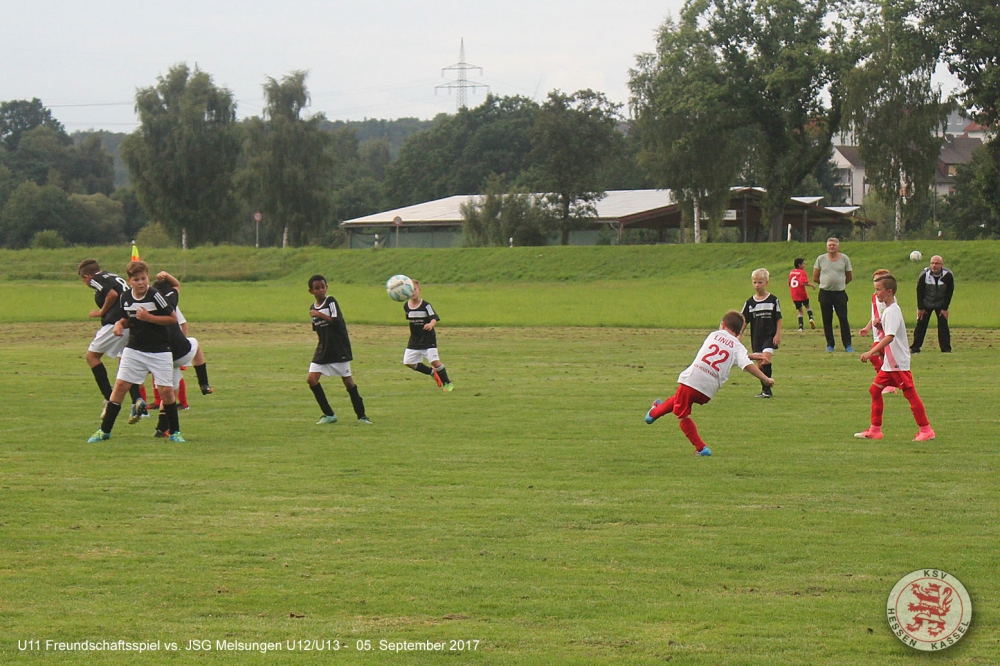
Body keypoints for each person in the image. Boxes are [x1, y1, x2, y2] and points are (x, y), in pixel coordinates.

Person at [644, 310, 775, 456]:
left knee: (682, 415)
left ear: (722, 324)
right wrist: (764, 377)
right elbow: (742, 362)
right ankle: (653, 413)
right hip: (707, 391)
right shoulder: (739, 348)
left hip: (692, 380)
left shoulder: (714, 335)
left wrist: (762, 374)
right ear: (739, 332)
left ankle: (701, 448)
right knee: (680, 400)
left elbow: (721, 351)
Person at [87, 260, 185, 443]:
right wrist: (119, 324)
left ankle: (175, 432)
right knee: (120, 387)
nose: (141, 282)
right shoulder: (125, 297)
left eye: (144, 278)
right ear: (129, 281)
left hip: (159, 350)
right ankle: (104, 431)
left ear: (148, 277)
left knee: (166, 391)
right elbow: (127, 318)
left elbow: (172, 319)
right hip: (134, 350)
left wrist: (149, 317)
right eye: (137, 279)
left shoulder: (155, 296)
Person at [855, 274, 935, 441]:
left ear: (889, 291)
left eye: (879, 290)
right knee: (875, 390)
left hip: (898, 363)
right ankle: (875, 430)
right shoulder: (888, 311)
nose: (876, 294)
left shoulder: (892, 311)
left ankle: (926, 430)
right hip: (889, 364)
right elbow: (890, 333)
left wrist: (871, 352)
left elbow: (890, 337)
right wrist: (879, 326)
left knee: (910, 394)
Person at [77, 259, 146, 420]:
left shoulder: (95, 279)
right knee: (125, 361)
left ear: (87, 277)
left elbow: (112, 294)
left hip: (116, 323)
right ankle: (138, 402)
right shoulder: (111, 275)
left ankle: (109, 399)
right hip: (131, 321)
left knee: (92, 357)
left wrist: (101, 312)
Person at [306, 275, 372, 425]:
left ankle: (362, 416)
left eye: (323, 287)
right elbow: (317, 329)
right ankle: (329, 414)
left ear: (326, 287)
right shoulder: (312, 308)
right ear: (311, 291)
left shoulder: (330, 301)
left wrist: (319, 314)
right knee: (311, 379)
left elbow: (336, 321)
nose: (321, 290)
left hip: (338, 348)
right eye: (317, 288)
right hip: (323, 349)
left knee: (348, 382)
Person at [402, 280, 454, 391]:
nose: (413, 292)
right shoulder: (406, 306)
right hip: (415, 340)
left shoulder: (426, 305)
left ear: (419, 291)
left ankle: (447, 383)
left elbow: (434, 318)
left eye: (415, 289)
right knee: (408, 362)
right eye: (410, 290)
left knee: (435, 362)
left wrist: (431, 324)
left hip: (428, 340)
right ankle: (431, 372)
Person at [740, 268, 782, 398]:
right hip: (756, 338)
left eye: (760, 282)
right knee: (759, 364)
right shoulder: (750, 302)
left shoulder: (773, 300)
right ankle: (765, 390)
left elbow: (778, 318)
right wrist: (739, 334)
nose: (757, 285)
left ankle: (767, 390)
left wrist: (778, 334)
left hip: (769, 336)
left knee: (765, 360)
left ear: (766, 283)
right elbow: (744, 320)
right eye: (754, 282)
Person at [858, 269, 897, 394]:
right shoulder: (875, 297)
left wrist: (881, 324)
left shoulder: (889, 298)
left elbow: (889, 315)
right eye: (875, 280)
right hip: (877, 334)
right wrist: (867, 327)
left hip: (885, 333)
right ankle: (889, 384)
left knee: (874, 356)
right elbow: (875, 315)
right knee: (882, 358)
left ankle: (887, 384)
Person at [813, 237, 854, 352]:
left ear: (838, 246)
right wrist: (825, 284)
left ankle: (847, 345)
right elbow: (815, 276)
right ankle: (830, 344)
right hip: (825, 293)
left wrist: (840, 284)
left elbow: (849, 276)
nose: (832, 247)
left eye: (834, 245)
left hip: (839, 293)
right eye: (830, 245)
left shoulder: (844, 259)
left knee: (843, 319)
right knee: (827, 320)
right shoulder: (821, 259)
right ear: (827, 247)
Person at [911, 255, 954, 354]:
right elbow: (919, 291)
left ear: (942, 265)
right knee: (921, 325)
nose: (934, 265)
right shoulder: (924, 275)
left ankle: (946, 349)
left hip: (941, 304)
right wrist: (920, 308)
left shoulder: (947, 275)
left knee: (943, 326)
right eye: (932, 263)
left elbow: (949, 292)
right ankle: (915, 348)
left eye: (937, 263)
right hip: (926, 303)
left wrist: (945, 308)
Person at [788, 258, 816, 331]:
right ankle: (811, 318)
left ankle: (800, 327)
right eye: (803, 263)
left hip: (794, 294)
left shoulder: (791, 272)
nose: (805, 265)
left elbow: (789, 283)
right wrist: (812, 285)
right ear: (799, 265)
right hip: (801, 292)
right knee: (807, 306)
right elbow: (804, 282)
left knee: (800, 311)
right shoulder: (802, 272)